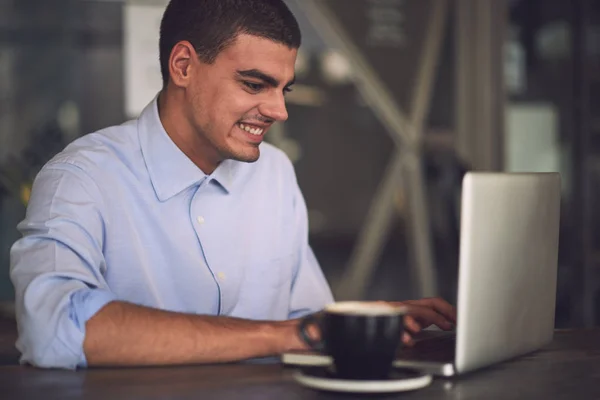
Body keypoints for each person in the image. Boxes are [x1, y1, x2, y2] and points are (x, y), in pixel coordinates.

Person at [9, 0, 456, 369]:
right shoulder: (82, 178)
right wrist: (288, 334)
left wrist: (362, 325)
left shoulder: (275, 173)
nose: (279, 110)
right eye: (255, 84)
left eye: (285, 89)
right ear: (183, 65)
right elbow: (54, 331)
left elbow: (308, 325)